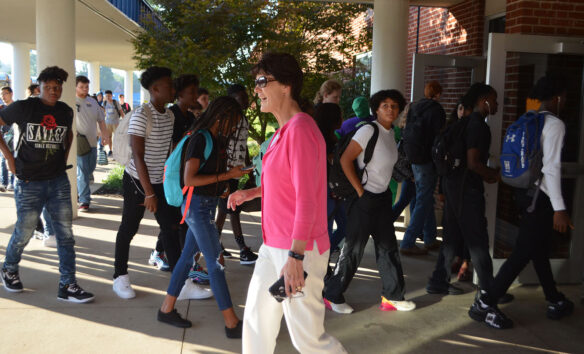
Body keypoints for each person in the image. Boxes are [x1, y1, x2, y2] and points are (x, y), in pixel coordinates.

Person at [228, 52, 346, 353]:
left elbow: (307, 198)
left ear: (286, 86)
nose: (257, 90)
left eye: (262, 82)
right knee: (256, 320)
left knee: (308, 338)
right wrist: (251, 193)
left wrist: (295, 257)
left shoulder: (301, 130)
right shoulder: (285, 131)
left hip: (299, 250)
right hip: (274, 245)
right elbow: (284, 184)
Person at [0, 66, 94, 302]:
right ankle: (9, 268)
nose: (54, 91)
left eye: (58, 87)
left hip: (58, 181)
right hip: (29, 181)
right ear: (39, 87)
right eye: (49, 87)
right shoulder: (24, 107)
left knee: (65, 235)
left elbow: (69, 135)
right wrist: (8, 157)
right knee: (25, 229)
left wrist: (63, 159)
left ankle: (68, 285)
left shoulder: (65, 110)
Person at [157, 96, 248, 336]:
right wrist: (227, 176)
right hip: (196, 208)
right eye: (233, 122)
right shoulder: (201, 138)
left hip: (203, 206)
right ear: (221, 117)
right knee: (216, 262)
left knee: (187, 258)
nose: (234, 127)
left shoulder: (213, 139)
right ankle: (231, 322)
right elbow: (190, 180)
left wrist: (226, 180)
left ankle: (166, 309)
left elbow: (208, 176)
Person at [489, 75, 575, 326]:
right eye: (565, 97)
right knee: (523, 253)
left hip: (524, 194)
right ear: (558, 97)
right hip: (541, 200)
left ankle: (554, 298)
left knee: (538, 249)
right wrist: (560, 208)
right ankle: (485, 303)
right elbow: (552, 168)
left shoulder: (529, 119)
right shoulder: (555, 124)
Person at [425, 83, 511, 326]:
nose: (496, 104)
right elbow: (473, 163)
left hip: (454, 189)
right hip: (466, 192)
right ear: (483, 101)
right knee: (478, 244)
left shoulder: (463, 122)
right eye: (494, 100)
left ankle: (438, 280)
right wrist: (493, 175)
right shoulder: (478, 127)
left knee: (452, 236)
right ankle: (488, 297)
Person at [323, 89, 416, 315]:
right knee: (353, 250)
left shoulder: (390, 133)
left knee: (388, 248)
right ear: (376, 108)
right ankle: (332, 294)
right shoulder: (368, 130)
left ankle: (392, 296)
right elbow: (345, 160)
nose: (390, 109)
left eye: (394, 106)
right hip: (364, 199)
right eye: (385, 105)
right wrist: (360, 191)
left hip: (382, 199)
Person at [112, 66, 181, 299]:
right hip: (137, 182)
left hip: (158, 182)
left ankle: (180, 283)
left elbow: (166, 151)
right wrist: (149, 193)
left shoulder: (169, 115)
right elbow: (138, 155)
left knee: (171, 229)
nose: (173, 89)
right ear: (154, 89)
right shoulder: (142, 115)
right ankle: (119, 277)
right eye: (168, 85)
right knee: (129, 228)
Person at [400, 81, 445, 256]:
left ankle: (430, 237)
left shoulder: (415, 107)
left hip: (414, 159)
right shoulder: (436, 110)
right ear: (438, 94)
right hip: (427, 160)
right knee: (424, 200)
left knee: (424, 198)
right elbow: (438, 139)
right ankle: (408, 241)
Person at [215, 84, 258, 264]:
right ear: (232, 98)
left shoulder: (243, 119)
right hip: (226, 171)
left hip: (237, 170)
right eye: (242, 97)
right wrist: (222, 175)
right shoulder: (227, 119)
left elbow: (243, 145)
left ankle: (217, 245)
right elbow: (221, 146)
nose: (247, 100)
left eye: (246, 97)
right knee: (232, 208)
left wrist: (248, 168)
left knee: (226, 209)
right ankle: (241, 249)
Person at [314, 103, 346, 252]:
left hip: (333, 189)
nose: (343, 118)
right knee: (326, 229)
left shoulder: (332, 138)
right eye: (340, 115)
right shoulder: (322, 140)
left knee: (345, 225)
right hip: (327, 190)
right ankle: (323, 263)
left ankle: (325, 256)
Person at [76, 76, 109, 212]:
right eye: (82, 87)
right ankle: (84, 200)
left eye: (87, 87)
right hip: (79, 142)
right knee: (83, 171)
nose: (85, 89)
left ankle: (80, 192)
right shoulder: (71, 101)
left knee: (89, 170)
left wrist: (105, 135)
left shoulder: (93, 102)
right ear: (75, 87)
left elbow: (101, 120)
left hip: (93, 142)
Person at [0, 86, 15, 192]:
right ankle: (4, 183)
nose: (3, 96)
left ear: (11, 94)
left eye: (5, 93)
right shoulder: (1, 108)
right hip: (4, 137)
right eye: (1, 94)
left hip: (15, 137)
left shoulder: (16, 107)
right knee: (3, 160)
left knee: (15, 159)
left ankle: (13, 183)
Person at [102, 90, 124, 156]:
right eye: (106, 96)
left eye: (109, 96)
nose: (108, 97)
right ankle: (110, 150)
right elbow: (102, 112)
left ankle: (117, 150)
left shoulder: (115, 102)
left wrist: (125, 120)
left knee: (117, 137)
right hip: (108, 122)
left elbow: (121, 111)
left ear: (111, 96)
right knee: (109, 137)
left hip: (116, 122)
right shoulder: (104, 103)